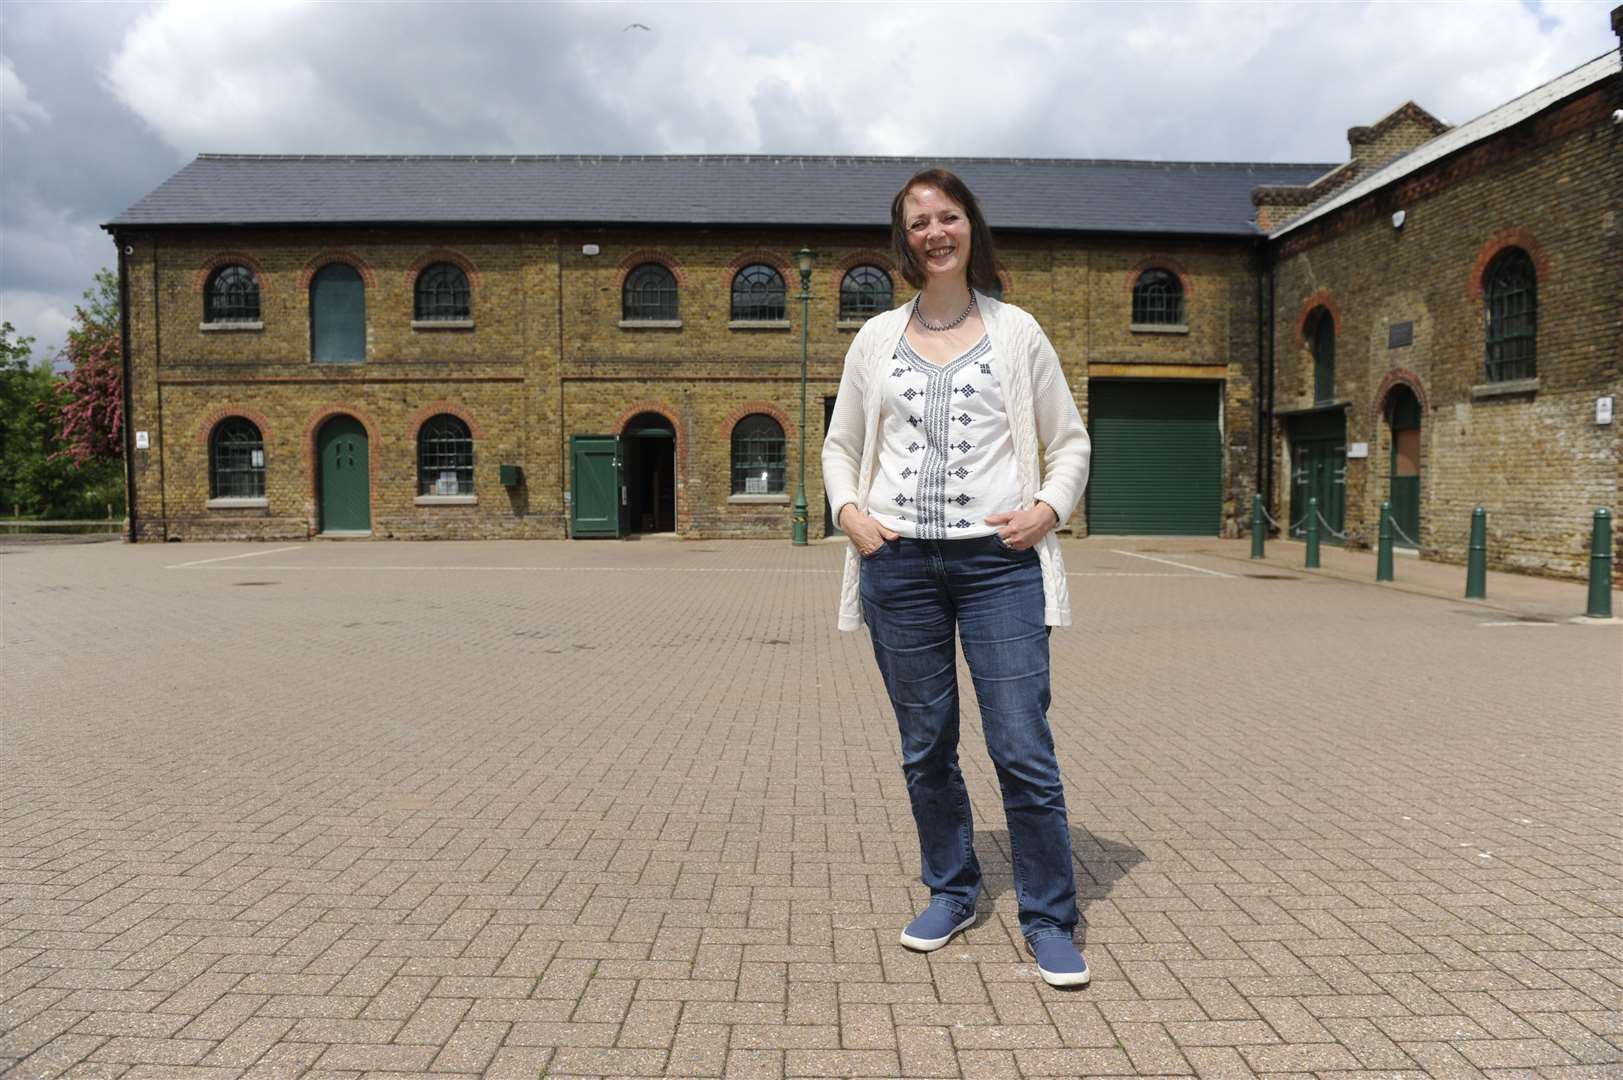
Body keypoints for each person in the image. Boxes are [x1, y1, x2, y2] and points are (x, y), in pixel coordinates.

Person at [821, 168, 1092, 988]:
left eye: (947, 217)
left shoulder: (1018, 333)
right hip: (897, 563)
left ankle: (1048, 914)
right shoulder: (873, 339)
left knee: (1020, 745)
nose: (934, 232)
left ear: (971, 227)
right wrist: (848, 515)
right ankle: (952, 888)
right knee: (925, 747)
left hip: (996, 565)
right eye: (917, 222)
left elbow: (1070, 441)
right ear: (902, 240)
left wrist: (1046, 509)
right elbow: (840, 446)